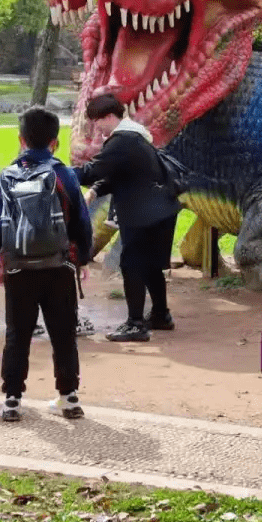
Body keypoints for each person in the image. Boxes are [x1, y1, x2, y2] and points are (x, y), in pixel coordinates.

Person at [0, 107, 92, 422]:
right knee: (63, 333)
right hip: (59, 266)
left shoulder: (8, 175)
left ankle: (12, 400)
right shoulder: (64, 174)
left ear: (20, 140)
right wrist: (83, 258)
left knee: (17, 334)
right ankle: (68, 397)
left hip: (19, 267)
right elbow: (82, 222)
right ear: (55, 143)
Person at [75, 94, 182, 342]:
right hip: (161, 209)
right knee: (151, 265)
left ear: (110, 116)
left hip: (143, 213)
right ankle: (160, 315)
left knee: (132, 264)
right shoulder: (136, 136)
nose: (96, 127)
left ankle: (135, 324)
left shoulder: (122, 141)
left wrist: (58, 173)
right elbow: (119, 174)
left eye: (97, 121)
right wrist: (96, 191)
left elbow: (92, 171)